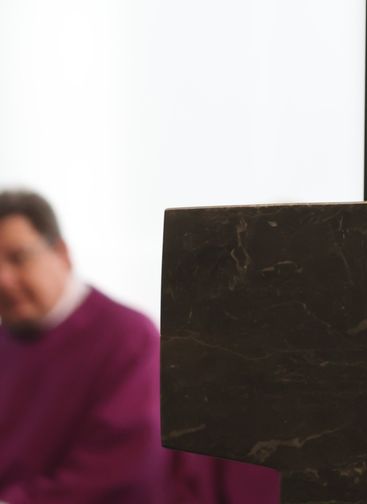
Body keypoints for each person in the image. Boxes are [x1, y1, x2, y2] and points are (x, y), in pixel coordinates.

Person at [0, 190, 277, 504]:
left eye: (18, 257)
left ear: (61, 253)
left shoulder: (127, 337)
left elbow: (120, 470)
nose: (3, 279)